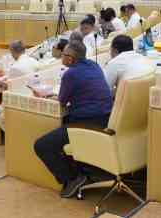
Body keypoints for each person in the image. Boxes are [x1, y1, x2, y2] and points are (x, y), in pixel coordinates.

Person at [33, 41, 113, 198]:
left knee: (42, 145)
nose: (62, 57)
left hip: (87, 124)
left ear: (70, 59)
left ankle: (73, 178)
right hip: (105, 119)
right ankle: (78, 171)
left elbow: (61, 102)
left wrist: (47, 97)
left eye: (63, 55)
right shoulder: (94, 65)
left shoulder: (71, 74)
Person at [0, 41, 40, 131]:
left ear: (12, 52)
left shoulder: (15, 67)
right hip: (34, 96)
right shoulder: (34, 61)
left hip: (20, 100)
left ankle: (9, 133)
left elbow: (9, 87)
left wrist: (2, 83)